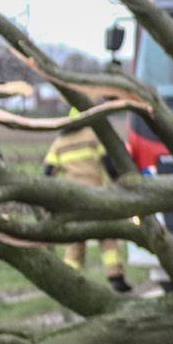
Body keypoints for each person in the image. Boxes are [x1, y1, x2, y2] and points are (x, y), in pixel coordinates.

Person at [43, 113, 131, 293]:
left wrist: (47, 200)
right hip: (96, 195)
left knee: (76, 240)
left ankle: (69, 280)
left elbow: (48, 173)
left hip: (72, 199)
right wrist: (120, 182)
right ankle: (116, 277)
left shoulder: (59, 143)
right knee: (108, 235)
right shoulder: (92, 135)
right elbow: (109, 164)